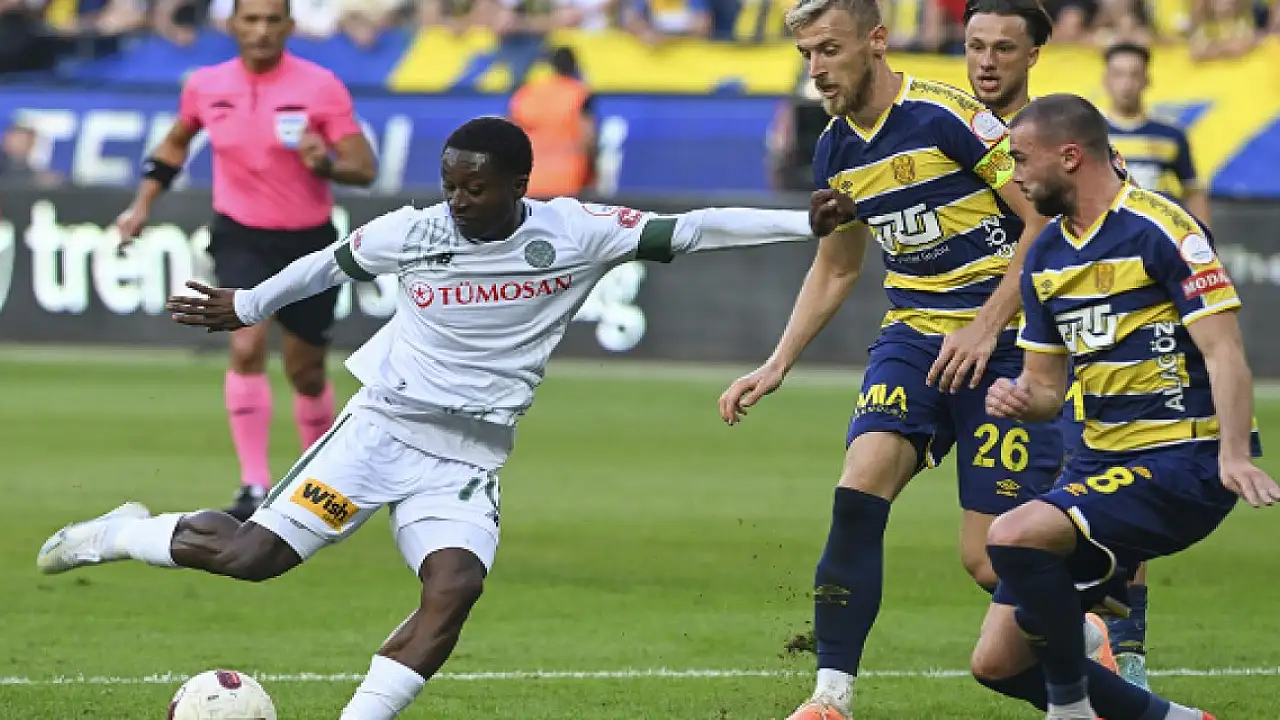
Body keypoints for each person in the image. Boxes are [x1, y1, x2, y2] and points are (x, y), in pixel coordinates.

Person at [36, 116, 821, 720]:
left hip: (466, 459)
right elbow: (329, 264)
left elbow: (695, 228)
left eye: (475, 187)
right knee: (252, 558)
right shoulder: (414, 231)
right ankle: (121, 534)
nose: (458, 199)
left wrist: (805, 223)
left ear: (518, 183)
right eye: (450, 184)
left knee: (455, 584)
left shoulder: (575, 232)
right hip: (380, 433)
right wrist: (248, 304)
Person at [715, 0, 1061, 716]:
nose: (816, 69)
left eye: (829, 50)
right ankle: (830, 696)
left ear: (876, 42)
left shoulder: (949, 118)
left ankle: (1087, 633)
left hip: (1002, 343)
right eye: (807, 55)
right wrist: (777, 362)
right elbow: (839, 266)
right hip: (912, 339)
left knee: (988, 559)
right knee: (858, 488)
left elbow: (1043, 221)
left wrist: (986, 324)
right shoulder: (834, 150)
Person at [972, 92, 1278, 720]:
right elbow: (1047, 390)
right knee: (998, 662)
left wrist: (1232, 454)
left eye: (1021, 159)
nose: (1013, 175)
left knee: (1012, 534)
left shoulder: (1160, 228)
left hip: (1183, 459)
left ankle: (1071, 708)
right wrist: (1021, 399)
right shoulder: (1045, 257)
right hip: (1098, 465)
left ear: (1070, 156)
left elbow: (1223, 349)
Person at [114, 0, 378, 522]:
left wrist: (326, 164)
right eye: (251, 20)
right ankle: (253, 484)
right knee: (246, 343)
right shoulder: (205, 85)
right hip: (240, 235)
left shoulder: (320, 86)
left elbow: (363, 166)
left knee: (306, 371)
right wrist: (141, 204)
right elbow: (174, 145)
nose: (261, 30)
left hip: (308, 243)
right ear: (232, 25)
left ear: (289, 26)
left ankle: (316, 478)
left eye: (272, 20)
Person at [964, 0, 1160, 685]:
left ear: (1033, 56)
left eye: (1003, 47)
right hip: (1002, 361)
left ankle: (1122, 653)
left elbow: (1115, 221)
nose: (987, 61)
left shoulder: (1063, 135)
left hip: (1073, 351)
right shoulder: (950, 127)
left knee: (1097, 503)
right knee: (985, 556)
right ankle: (1090, 632)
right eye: (976, 45)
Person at [1102, 42, 1211, 226]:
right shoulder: (1088, 135)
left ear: (1147, 80)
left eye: (1134, 75)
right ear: (1106, 80)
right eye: (1118, 74)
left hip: (1157, 231)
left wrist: (1203, 233)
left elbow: (1192, 190)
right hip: (1107, 233)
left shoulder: (1171, 135)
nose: (1126, 84)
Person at [508, 46, 597, 199]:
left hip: (529, 180)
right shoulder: (578, 93)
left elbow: (510, 134)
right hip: (567, 180)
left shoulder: (526, 92)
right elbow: (587, 139)